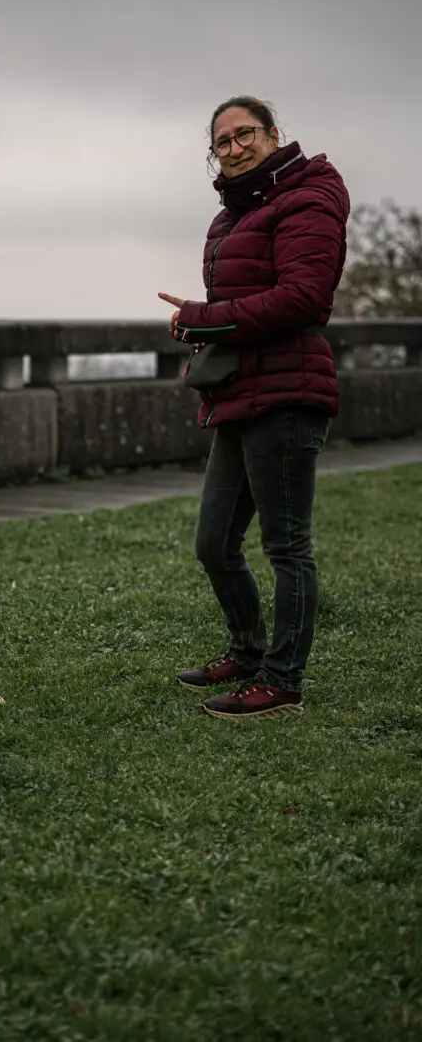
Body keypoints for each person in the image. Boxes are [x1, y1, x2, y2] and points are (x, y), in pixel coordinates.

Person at [158, 96, 350, 719]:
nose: (235, 148)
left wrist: (205, 317)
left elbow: (302, 300)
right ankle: (247, 651)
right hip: (240, 392)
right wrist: (201, 329)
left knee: (287, 546)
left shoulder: (307, 198)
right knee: (214, 543)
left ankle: (282, 682)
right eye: (222, 142)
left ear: (274, 135)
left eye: (246, 135)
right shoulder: (232, 215)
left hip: (289, 393)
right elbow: (241, 306)